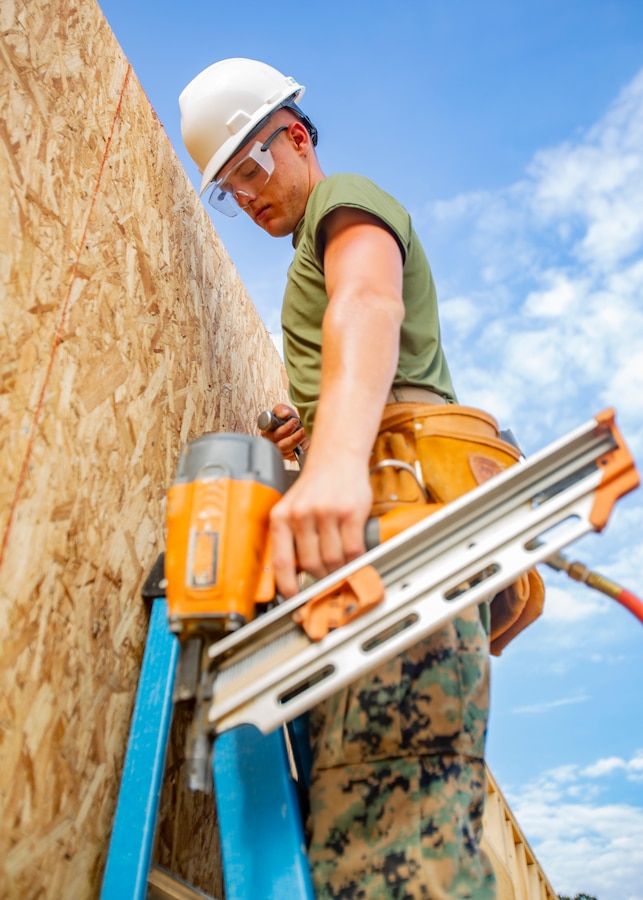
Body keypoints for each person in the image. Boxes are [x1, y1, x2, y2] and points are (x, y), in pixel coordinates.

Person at [179, 58, 497, 900]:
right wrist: (314, 433)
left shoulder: (342, 198)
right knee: (359, 849)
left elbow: (368, 304)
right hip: (370, 565)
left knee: (396, 865)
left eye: (250, 167)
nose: (245, 197)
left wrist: (329, 466)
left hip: (395, 553)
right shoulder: (301, 255)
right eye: (226, 190)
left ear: (295, 136)